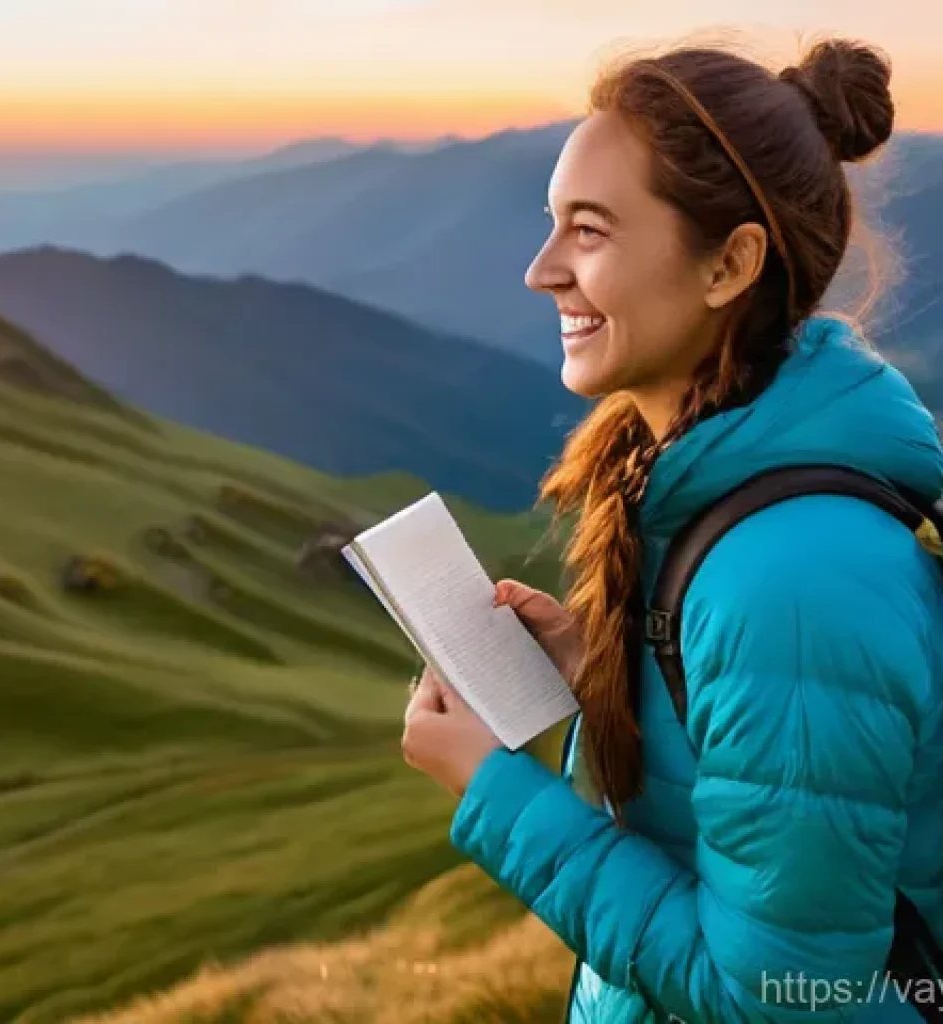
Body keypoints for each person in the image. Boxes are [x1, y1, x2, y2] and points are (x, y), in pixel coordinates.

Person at [400, 34, 943, 1023]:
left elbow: (775, 995)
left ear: (729, 263)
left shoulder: (792, 579)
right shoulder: (727, 504)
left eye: (589, 231)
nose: (540, 271)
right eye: (551, 224)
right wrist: (617, 667)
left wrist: (491, 789)